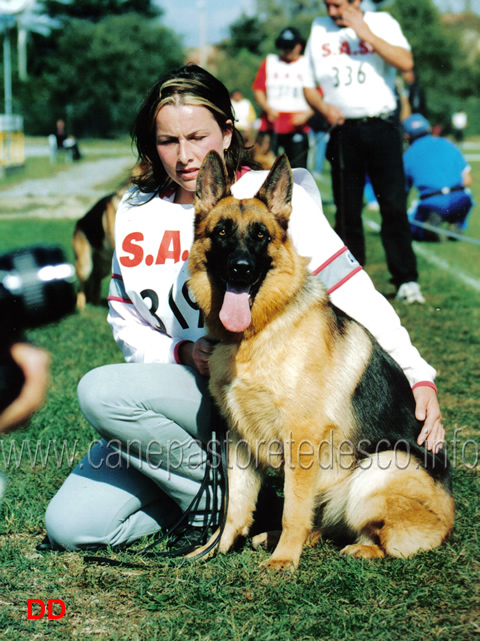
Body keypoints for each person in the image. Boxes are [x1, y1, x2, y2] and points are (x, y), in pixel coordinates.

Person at [43, 64, 444, 553]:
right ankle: (214, 494)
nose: (185, 156)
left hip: (253, 396)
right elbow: (124, 320)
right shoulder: (133, 210)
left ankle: (232, 499)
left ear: (227, 131)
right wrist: (182, 351)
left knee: (100, 391)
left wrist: (417, 374)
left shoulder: (269, 202)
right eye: (169, 141)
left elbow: (356, 295)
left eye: (197, 136)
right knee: (73, 526)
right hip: (173, 395)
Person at [303, 0, 425, 305]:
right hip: (344, 131)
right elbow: (307, 84)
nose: (332, 11)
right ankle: (351, 286)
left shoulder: (382, 21)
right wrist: (324, 108)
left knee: (394, 206)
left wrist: (364, 31)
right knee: (347, 210)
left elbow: (406, 62)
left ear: (357, 1)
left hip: (382, 127)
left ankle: (406, 280)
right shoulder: (319, 28)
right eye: (327, 4)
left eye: (339, 4)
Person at [402, 113, 474, 241]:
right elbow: (467, 180)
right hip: (460, 199)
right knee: (466, 198)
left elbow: (403, 191)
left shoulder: (407, 156)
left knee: (409, 226)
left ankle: (427, 227)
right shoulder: (447, 143)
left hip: (432, 201)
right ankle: (456, 223)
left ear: (406, 136)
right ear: (429, 128)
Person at [252, 27, 313, 169]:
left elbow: (320, 94)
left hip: (297, 124)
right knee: (263, 167)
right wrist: (267, 108)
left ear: (299, 46)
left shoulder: (307, 64)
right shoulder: (270, 62)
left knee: (297, 169)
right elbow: (258, 90)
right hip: (271, 123)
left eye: (291, 46)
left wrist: (307, 114)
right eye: (284, 46)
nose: (287, 50)